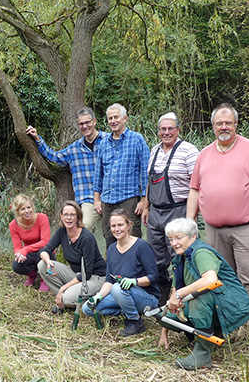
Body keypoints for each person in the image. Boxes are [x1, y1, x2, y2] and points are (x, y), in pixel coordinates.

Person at [187, 103, 249, 344]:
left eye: (228, 123)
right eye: (219, 123)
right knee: (218, 278)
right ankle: (231, 324)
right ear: (213, 126)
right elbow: (194, 190)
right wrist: (190, 221)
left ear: (236, 124)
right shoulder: (204, 154)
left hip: (245, 227)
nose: (223, 127)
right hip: (213, 230)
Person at [158, 218, 249, 370]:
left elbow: (210, 280)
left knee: (199, 296)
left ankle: (202, 353)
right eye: (171, 239)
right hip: (210, 303)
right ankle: (211, 335)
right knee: (166, 319)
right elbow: (174, 293)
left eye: (178, 238)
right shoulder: (179, 259)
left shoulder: (201, 252)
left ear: (193, 236)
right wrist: (164, 332)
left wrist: (180, 295)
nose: (174, 243)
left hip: (228, 305)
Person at [141, 112, 199, 300]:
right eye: (163, 129)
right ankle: (162, 298)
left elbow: (197, 185)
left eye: (170, 128)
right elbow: (151, 180)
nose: (166, 132)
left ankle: (184, 298)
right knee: (156, 259)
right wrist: (146, 206)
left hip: (178, 211)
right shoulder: (155, 150)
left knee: (180, 257)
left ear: (178, 130)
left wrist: (191, 218)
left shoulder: (189, 151)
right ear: (158, 131)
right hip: (155, 212)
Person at [26, 107, 108, 231]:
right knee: (85, 228)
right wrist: (38, 139)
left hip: (110, 195)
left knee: (113, 232)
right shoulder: (74, 149)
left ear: (94, 121)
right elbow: (53, 156)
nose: (85, 126)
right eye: (81, 124)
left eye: (87, 122)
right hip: (88, 198)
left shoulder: (109, 141)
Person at [83, 209, 160, 337]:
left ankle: (135, 321)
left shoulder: (141, 246)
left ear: (129, 225)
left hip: (146, 297)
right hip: (120, 293)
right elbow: (109, 280)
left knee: (117, 288)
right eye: (113, 226)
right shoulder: (112, 249)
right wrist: (98, 296)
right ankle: (126, 309)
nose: (116, 229)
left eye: (120, 225)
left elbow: (153, 276)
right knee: (87, 308)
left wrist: (135, 281)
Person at [93, 103, 150, 249]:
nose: (113, 121)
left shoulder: (137, 139)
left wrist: (144, 200)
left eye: (116, 117)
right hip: (107, 200)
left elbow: (146, 173)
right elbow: (98, 174)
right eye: (110, 118)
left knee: (132, 237)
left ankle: (135, 271)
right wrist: (97, 199)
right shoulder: (103, 143)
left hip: (129, 199)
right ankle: (113, 271)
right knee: (109, 239)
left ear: (125, 118)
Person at [37, 201, 106, 314]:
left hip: (94, 277)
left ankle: (74, 299)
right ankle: (66, 299)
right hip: (75, 273)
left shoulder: (86, 238)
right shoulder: (62, 232)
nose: (68, 218)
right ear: (61, 216)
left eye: (72, 215)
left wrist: (63, 288)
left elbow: (87, 273)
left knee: (67, 298)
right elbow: (44, 250)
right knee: (42, 265)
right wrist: (48, 261)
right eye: (65, 214)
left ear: (78, 217)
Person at [9, 194, 51, 291]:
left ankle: (44, 278)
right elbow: (17, 247)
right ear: (18, 211)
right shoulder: (13, 225)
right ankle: (32, 275)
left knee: (43, 251)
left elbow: (45, 241)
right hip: (30, 255)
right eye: (23, 209)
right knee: (16, 265)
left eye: (29, 207)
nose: (27, 211)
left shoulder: (42, 218)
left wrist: (26, 249)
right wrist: (19, 255)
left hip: (44, 252)